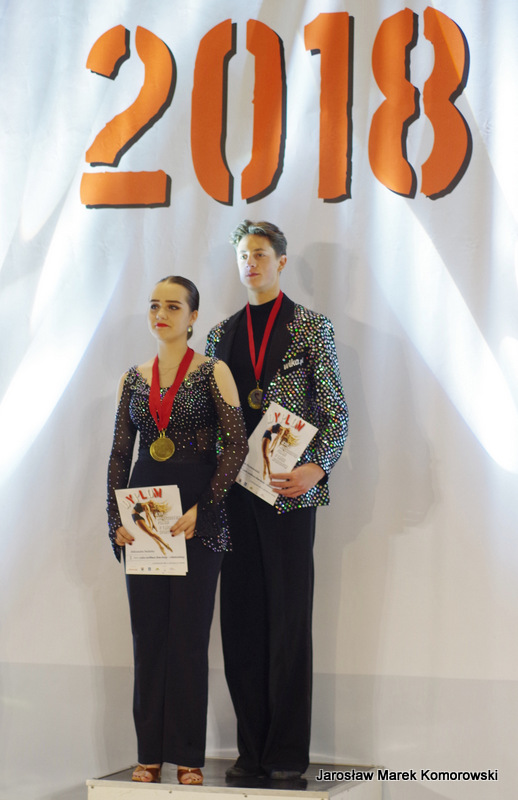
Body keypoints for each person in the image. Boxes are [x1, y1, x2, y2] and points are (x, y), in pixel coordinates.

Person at [206, 221, 348, 781]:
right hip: (234, 496)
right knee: (240, 622)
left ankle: (286, 755)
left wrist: (317, 467)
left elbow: (335, 412)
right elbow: (213, 420)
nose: (252, 263)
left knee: (288, 621)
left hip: (288, 494)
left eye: (261, 254)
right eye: (244, 254)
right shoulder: (219, 336)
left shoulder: (311, 327)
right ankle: (250, 750)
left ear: (282, 262)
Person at [107, 276, 248, 786]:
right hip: (144, 516)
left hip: (195, 518)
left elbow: (236, 445)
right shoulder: (133, 378)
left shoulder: (213, 371)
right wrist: (115, 519)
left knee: (188, 638)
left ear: (193, 317)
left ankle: (188, 755)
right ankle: (148, 754)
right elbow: (120, 453)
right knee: (148, 637)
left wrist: (203, 509)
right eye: (154, 306)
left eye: (172, 306)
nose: (161, 314)